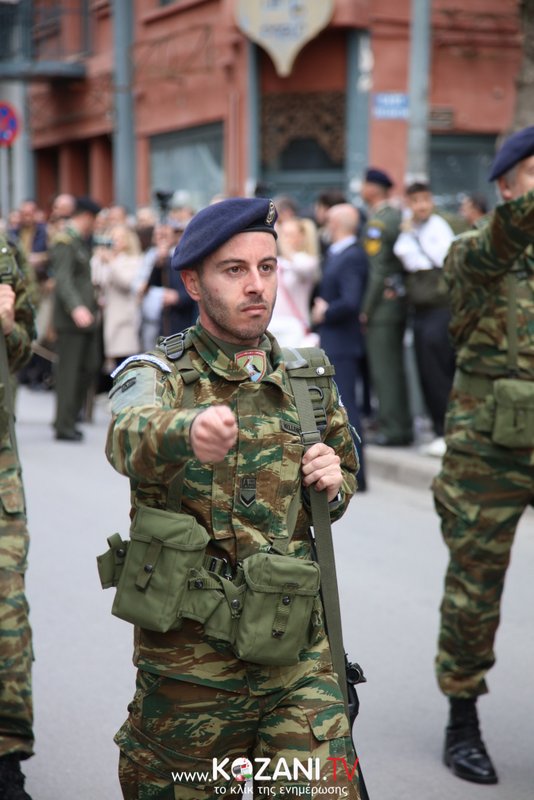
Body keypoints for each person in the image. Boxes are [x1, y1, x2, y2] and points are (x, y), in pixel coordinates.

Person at [105, 197, 363, 798]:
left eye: (267, 267)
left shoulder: (307, 378)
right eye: (235, 269)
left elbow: (341, 482)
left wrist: (334, 481)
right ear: (193, 282)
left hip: (297, 657)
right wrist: (186, 433)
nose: (256, 285)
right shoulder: (158, 373)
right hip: (191, 669)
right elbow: (126, 434)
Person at [431, 125, 534, 786]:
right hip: (487, 448)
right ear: (507, 186)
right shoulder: (475, 250)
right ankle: (462, 717)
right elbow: (503, 241)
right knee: (476, 584)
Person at [0, 233, 36, 800]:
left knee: (6, 618)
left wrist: (9, 327)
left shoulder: (4, 256)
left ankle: (6, 757)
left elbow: (25, 349)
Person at [394, 182, 456, 457]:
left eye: (425, 200)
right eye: (415, 200)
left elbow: (441, 258)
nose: (421, 206)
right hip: (421, 310)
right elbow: (403, 254)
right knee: (427, 370)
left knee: (439, 369)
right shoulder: (411, 228)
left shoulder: (438, 226)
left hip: (439, 308)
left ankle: (447, 431)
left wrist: (413, 241)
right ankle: (440, 429)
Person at [311, 203, 368, 491]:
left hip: (343, 342)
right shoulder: (337, 253)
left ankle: (358, 473)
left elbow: (350, 300)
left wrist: (325, 311)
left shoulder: (352, 255)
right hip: (333, 340)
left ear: (336, 224)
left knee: (346, 409)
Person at [360, 168, 413, 446]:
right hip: (392, 303)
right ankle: (399, 425)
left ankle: (394, 429)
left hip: (383, 307)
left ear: (372, 189)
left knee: (385, 371)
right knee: (392, 368)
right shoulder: (393, 216)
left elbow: (378, 270)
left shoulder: (380, 222)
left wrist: (366, 309)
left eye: (364, 184)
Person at [50, 195, 101, 441]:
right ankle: (64, 424)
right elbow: (63, 279)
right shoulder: (66, 241)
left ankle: (70, 417)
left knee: (90, 365)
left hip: (87, 316)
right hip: (72, 319)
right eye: (95, 219)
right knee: (69, 373)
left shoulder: (79, 241)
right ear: (87, 217)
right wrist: (76, 307)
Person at [269, 216, 320, 347]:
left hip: (295, 327)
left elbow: (300, 266)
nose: (284, 239)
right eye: (283, 234)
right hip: (273, 325)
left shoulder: (308, 261)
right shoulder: (278, 261)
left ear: (302, 237)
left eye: (289, 234)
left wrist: (278, 237)